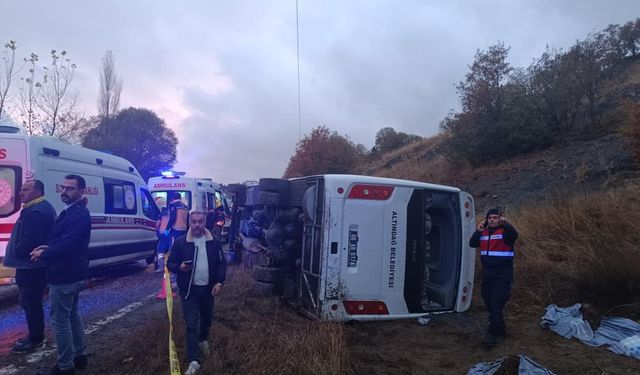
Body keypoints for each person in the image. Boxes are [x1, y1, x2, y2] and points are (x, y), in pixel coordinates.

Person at [31, 174, 91, 375]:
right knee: (72, 314)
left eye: (70, 188)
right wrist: (48, 246)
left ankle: (65, 366)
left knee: (60, 320)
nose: (64, 191)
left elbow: (69, 244)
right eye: (63, 188)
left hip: (66, 274)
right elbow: (64, 239)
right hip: (72, 272)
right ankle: (80, 355)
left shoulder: (79, 213)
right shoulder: (73, 211)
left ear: (81, 191)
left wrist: (45, 253)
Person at [167, 211, 226, 375]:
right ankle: (194, 360)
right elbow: (170, 262)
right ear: (189, 223)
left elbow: (222, 264)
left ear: (205, 222)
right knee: (191, 324)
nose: (198, 225)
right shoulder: (180, 243)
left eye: (201, 221)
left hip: (208, 290)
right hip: (189, 291)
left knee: (206, 319)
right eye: (194, 222)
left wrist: (219, 282)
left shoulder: (214, 242)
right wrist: (180, 267)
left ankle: (203, 339)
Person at [3, 180, 56, 353]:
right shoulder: (37, 208)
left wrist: (17, 252)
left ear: (37, 192)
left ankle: (35, 338)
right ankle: (35, 335)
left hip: (30, 267)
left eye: (25, 190)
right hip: (32, 266)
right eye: (21, 189)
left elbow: (31, 241)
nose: (20, 193)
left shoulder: (36, 212)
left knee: (31, 302)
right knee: (31, 302)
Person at [469, 207, 519, 347]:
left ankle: (492, 333)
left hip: (503, 275)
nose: (492, 220)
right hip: (488, 274)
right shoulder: (483, 233)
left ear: (500, 219)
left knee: (496, 303)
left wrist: (506, 224)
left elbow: (514, 235)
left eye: (495, 218)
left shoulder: (506, 233)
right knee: (488, 301)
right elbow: (472, 243)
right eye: (489, 218)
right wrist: (478, 231)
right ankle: (501, 329)